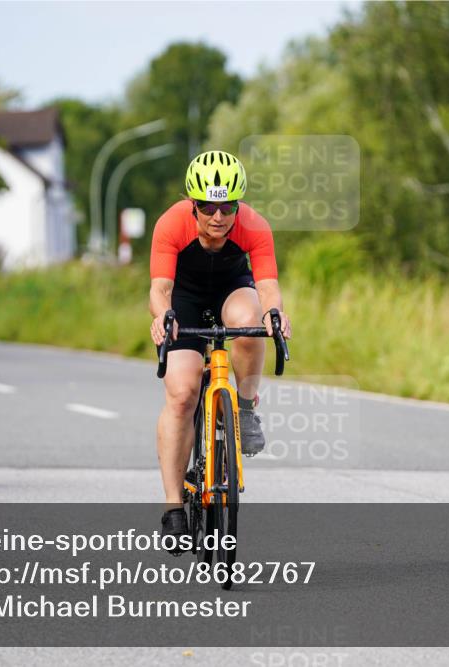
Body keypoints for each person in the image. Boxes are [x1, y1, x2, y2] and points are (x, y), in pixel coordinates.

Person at [148, 150, 292, 541]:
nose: (218, 216)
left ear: (237, 204)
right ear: (193, 203)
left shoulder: (255, 226)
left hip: (232, 291)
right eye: (208, 206)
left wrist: (274, 315)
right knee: (182, 393)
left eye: (227, 206)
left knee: (249, 323)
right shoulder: (171, 224)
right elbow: (159, 288)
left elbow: (267, 286)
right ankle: (173, 507)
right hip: (186, 299)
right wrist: (163, 316)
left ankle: (244, 407)